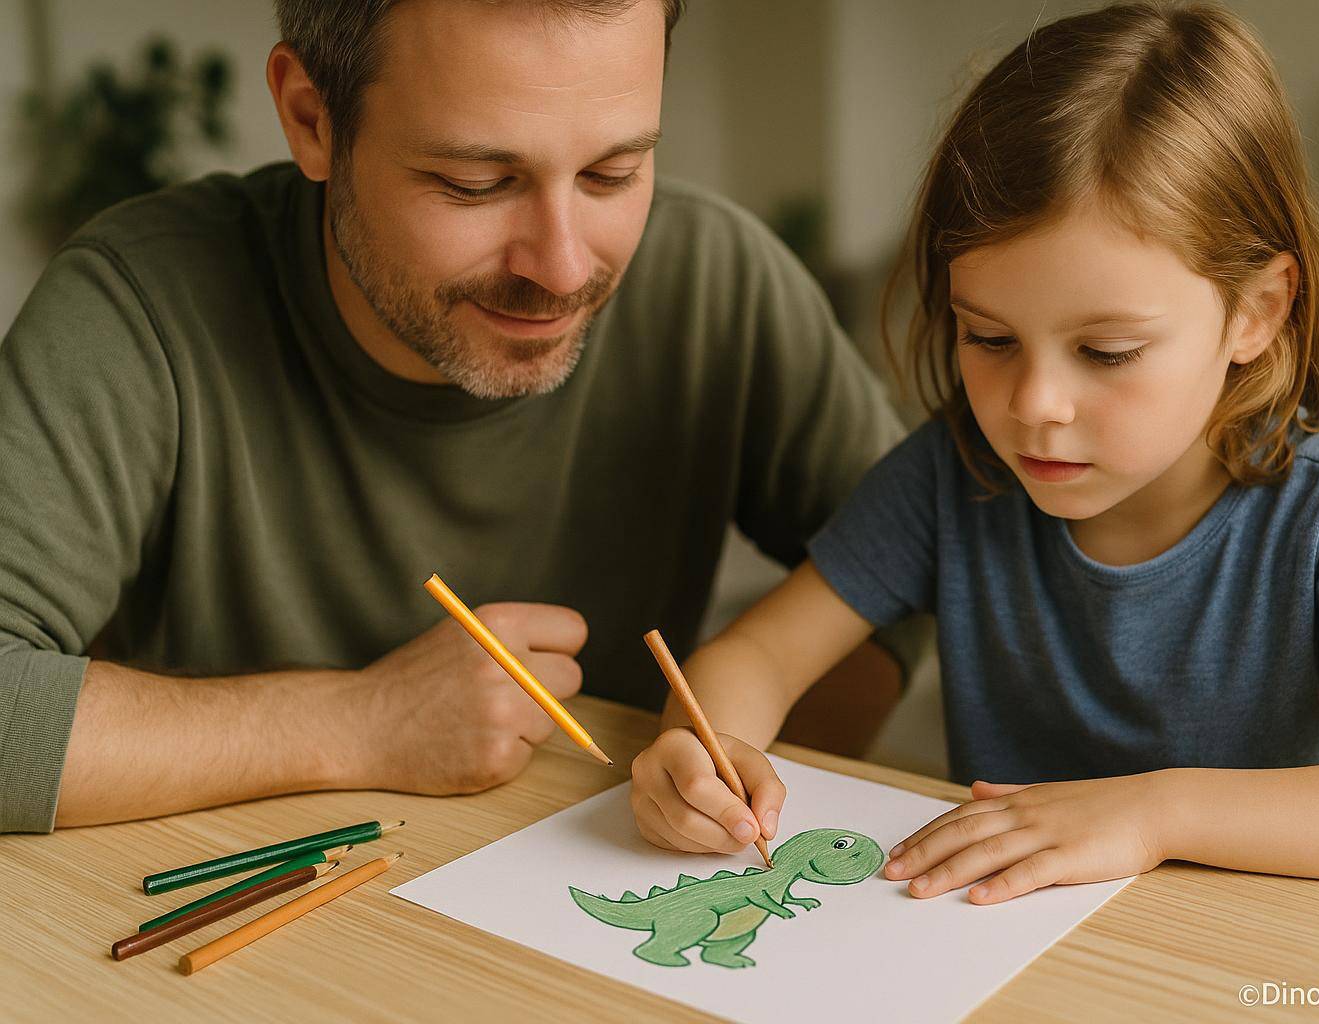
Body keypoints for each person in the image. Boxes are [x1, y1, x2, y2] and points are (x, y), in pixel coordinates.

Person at [626, 2, 1319, 900]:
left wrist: (1154, 814)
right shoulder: (953, 475)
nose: (1034, 407)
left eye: (1107, 353)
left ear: (1256, 311)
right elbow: (756, 657)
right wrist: (704, 750)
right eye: (987, 337)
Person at [0, 0, 915, 834]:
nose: (560, 268)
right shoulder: (138, 304)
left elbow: (911, 570)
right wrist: (359, 724)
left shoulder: (718, 282)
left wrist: (736, 783)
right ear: (312, 119)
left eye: (612, 172)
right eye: (475, 183)